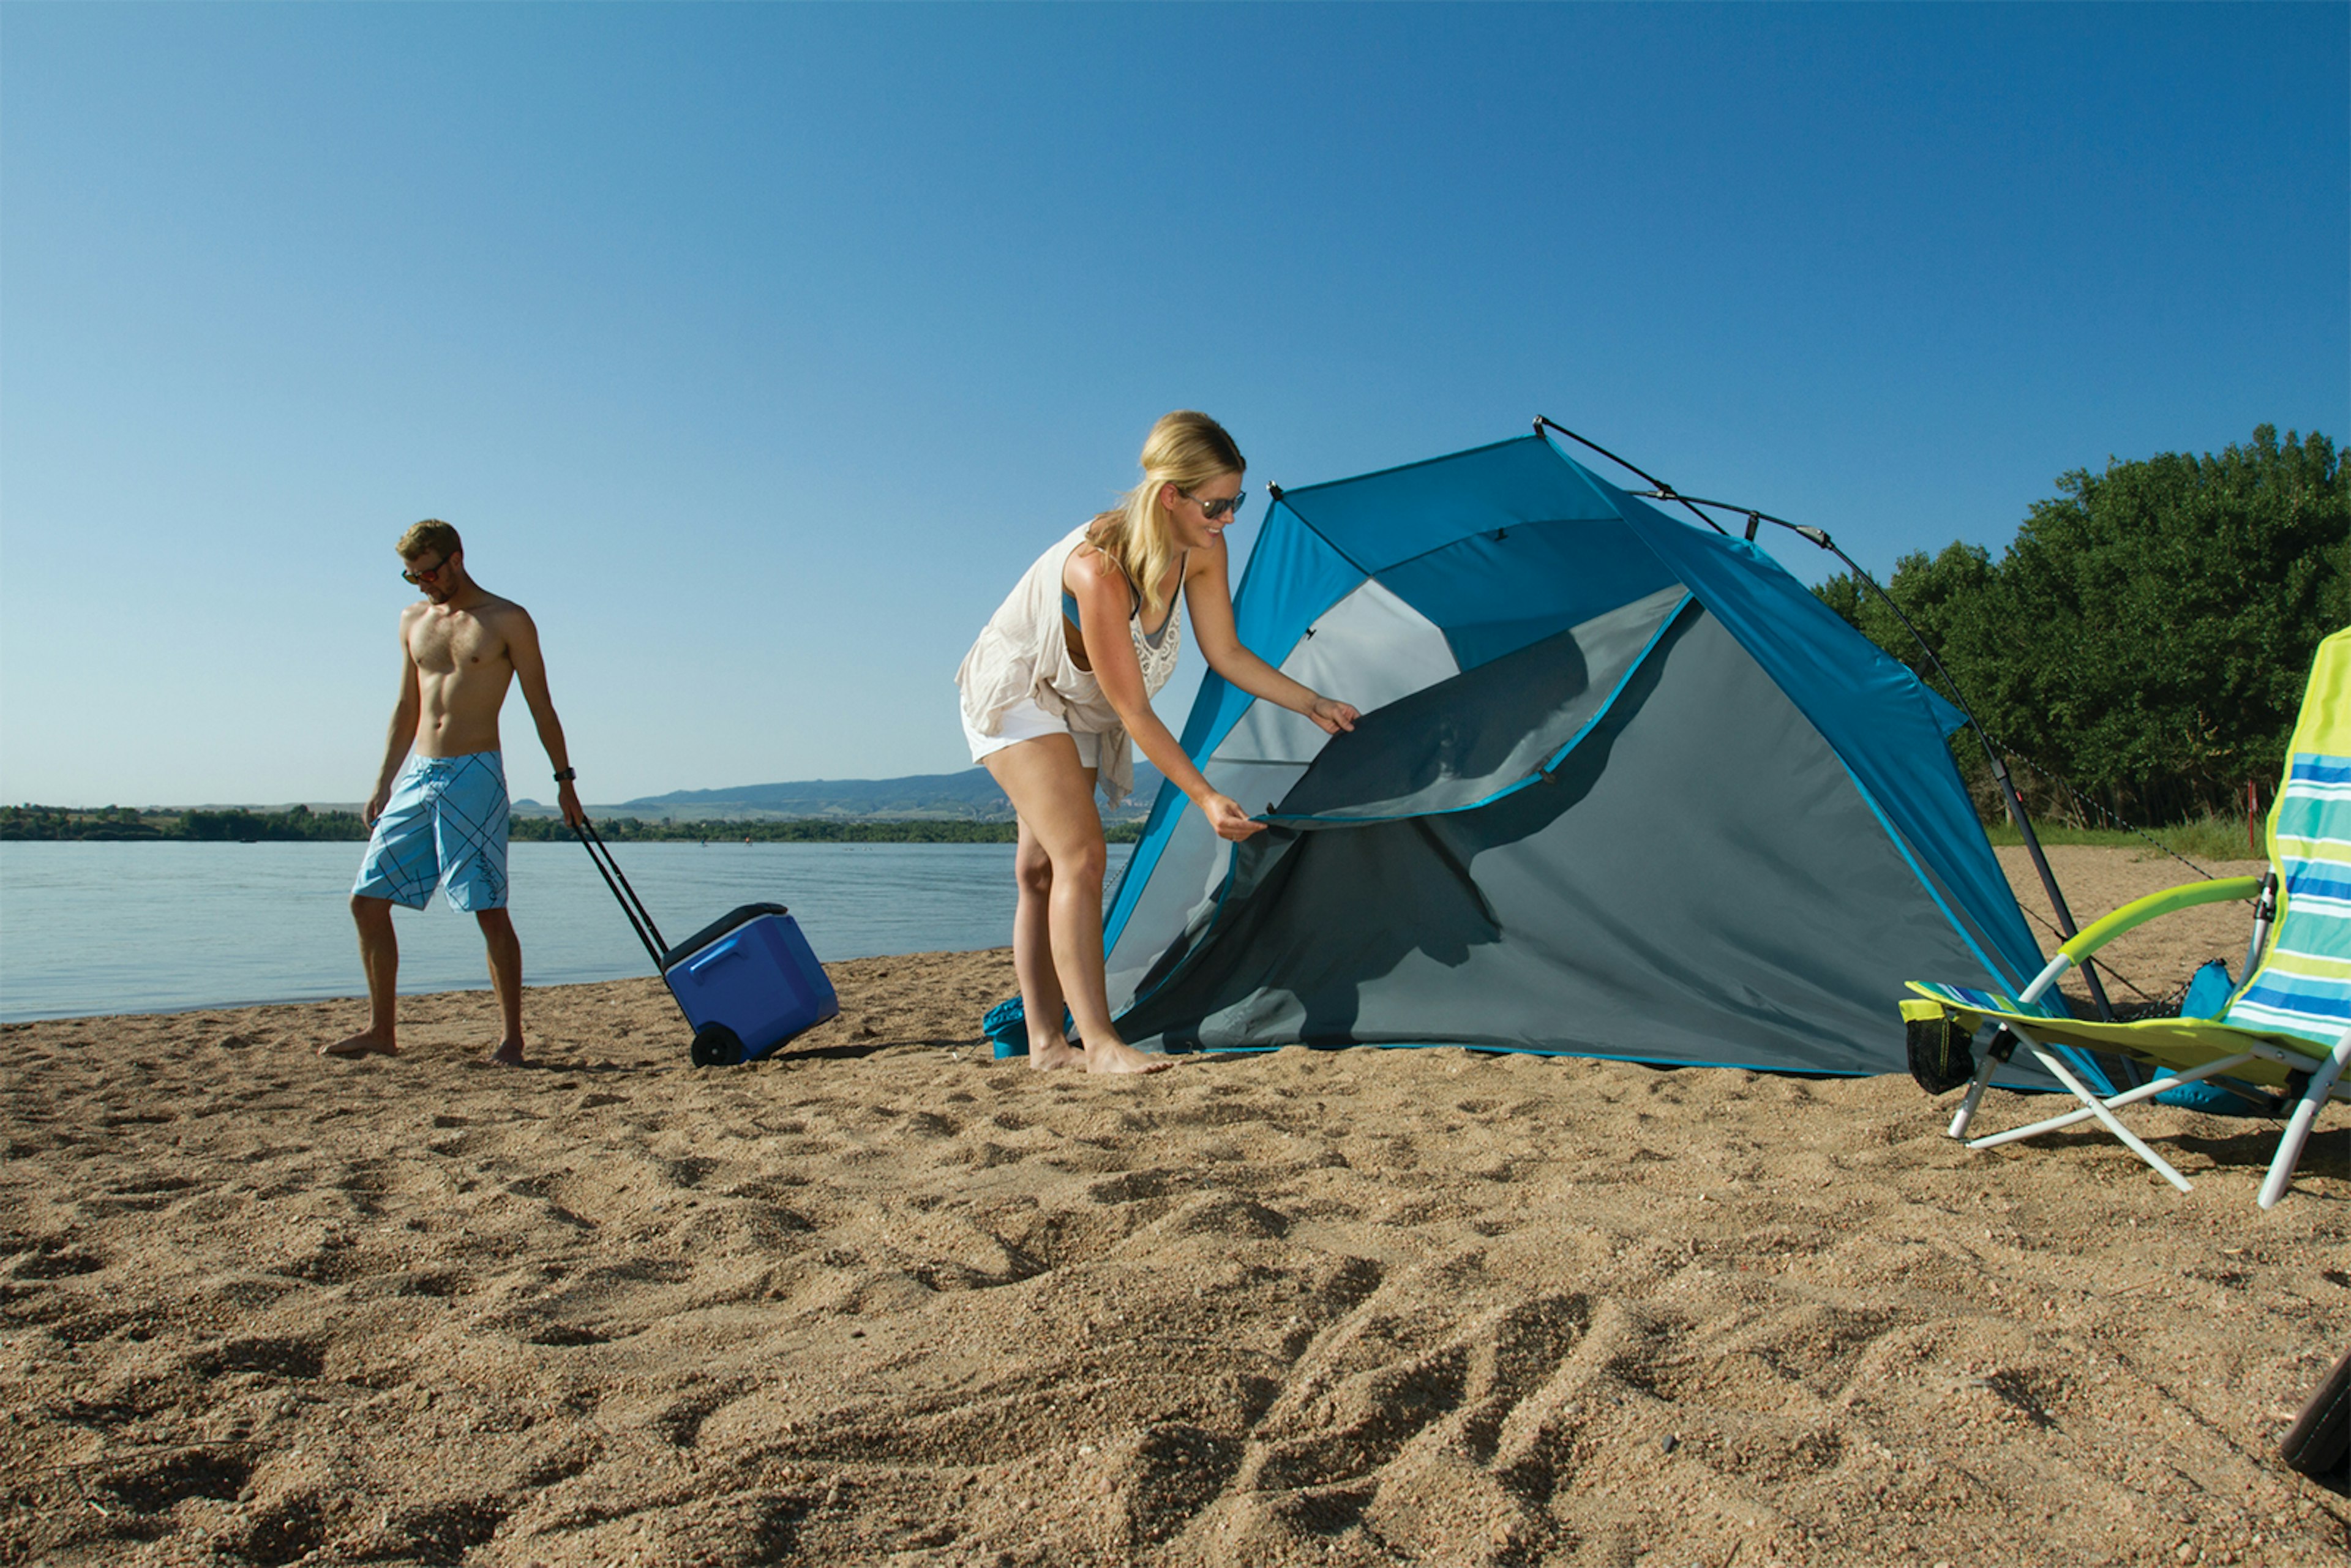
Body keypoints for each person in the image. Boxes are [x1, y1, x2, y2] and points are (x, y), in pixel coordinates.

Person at [957, 411, 1359, 1074]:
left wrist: (1310, 700)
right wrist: (1205, 797)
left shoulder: (1201, 548)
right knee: (1081, 856)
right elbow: (1136, 711)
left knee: (1039, 871)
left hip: (1080, 702)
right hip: (1022, 690)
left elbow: (1226, 652)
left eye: (1237, 502)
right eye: (1217, 504)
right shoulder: (1098, 571)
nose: (1229, 518)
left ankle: (1044, 1046)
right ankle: (1097, 1042)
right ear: (1171, 495)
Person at [323, 520, 585, 1065]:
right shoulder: (413, 620)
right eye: (411, 575)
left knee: (488, 908)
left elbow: (542, 706)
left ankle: (512, 1038)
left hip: (476, 774)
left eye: (429, 572)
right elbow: (406, 706)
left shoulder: (506, 619)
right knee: (366, 901)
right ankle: (381, 1030)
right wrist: (384, 779)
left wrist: (565, 783)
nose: (422, 583)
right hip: (420, 772)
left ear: (457, 558)